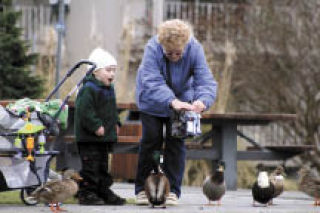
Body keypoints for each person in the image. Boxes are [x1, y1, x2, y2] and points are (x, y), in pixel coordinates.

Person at [135, 19, 217, 205]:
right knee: (151, 140)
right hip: (152, 100)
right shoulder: (152, 48)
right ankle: (142, 189)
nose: (174, 56)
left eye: (178, 53)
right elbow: (151, 80)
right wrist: (172, 101)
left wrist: (201, 101)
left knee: (176, 143)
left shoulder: (195, 48)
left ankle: (173, 191)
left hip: (183, 101)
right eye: (169, 53)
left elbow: (205, 81)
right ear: (162, 45)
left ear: (185, 46)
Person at [75, 47, 126, 206]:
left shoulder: (109, 89)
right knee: (91, 166)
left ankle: (103, 190)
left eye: (114, 71)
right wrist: (96, 125)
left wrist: (116, 122)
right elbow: (85, 111)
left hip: (104, 137)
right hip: (90, 137)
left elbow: (111, 109)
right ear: (95, 72)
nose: (112, 74)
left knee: (103, 164)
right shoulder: (88, 89)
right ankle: (87, 192)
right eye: (108, 70)